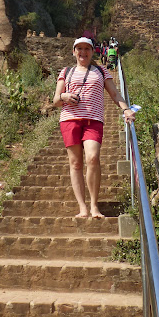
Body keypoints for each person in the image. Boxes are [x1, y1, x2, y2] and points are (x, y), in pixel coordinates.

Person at [53, 37, 135, 218]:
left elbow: (114, 93)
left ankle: (94, 205)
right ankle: (82, 207)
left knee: (93, 158)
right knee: (75, 163)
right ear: (74, 52)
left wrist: (126, 110)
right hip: (70, 120)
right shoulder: (66, 72)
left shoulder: (101, 71)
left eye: (86, 49)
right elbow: (56, 100)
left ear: (92, 51)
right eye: (79, 49)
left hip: (93, 121)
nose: (83, 52)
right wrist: (65, 96)